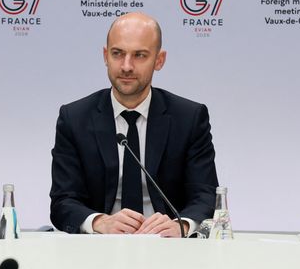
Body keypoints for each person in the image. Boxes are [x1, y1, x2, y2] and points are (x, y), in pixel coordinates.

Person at [50, 12, 218, 236]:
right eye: (117, 54)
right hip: (98, 250)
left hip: (167, 249)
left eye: (139, 55)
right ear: (105, 56)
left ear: (159, 60)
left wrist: (182, 225)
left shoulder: (189, 118)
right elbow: (63, 201)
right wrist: (100, 222)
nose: (126, 66)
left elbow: (205, 195)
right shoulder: (74, 118)